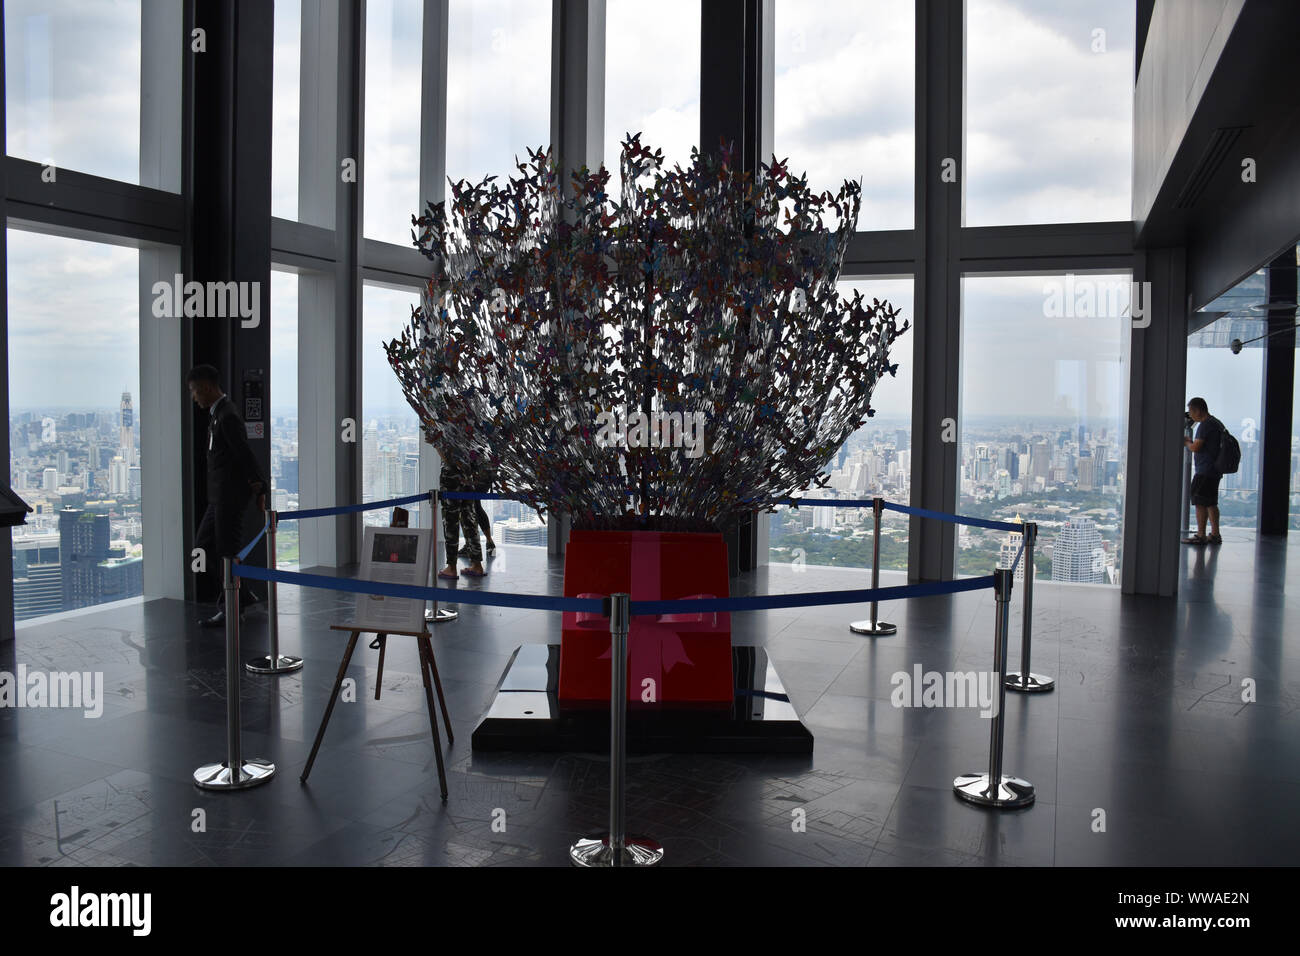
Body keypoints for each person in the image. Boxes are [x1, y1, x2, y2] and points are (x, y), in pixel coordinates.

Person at [187, 365, 267, 625]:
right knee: (206, 546)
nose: (194, 396)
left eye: (195, 391)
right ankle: (241, 598)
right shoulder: (217, 413)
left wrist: (259, 486)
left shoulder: (227, 415)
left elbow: (244, 453)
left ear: (208, 387)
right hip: (219, 498)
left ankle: (233, 607)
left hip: (230, 498)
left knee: (226, 553)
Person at [1182, 396, 1224, 546]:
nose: (1191, 415)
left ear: (1198, 410)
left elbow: (1196, 447)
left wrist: (1186, 441)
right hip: (1214, 470)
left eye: (1191, 412)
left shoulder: (1205, 425)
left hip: (1205, 470)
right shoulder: (1216, 423)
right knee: (1211, 502)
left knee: (1200, 501)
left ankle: (1200, 534)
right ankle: (1215, 534)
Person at [437, 455, 486, 579]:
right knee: (470, 520)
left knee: (450, 521)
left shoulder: (446, 434)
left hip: (451, 477)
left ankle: (451, 567)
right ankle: (477, 565)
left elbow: (445, 454)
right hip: (468, 475)